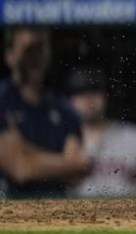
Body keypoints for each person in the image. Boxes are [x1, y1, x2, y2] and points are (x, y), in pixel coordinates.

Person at [0, 27, 89, 198]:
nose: (35, 58)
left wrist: (26, 151)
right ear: (10, 56)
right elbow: (21, 169)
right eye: (28, 50)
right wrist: (62, 163)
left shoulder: (63, 107)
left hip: (57, 210)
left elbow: (78, 165)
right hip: (10, 209)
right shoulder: (2, 101)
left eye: (41, 49)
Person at [66, 68, 136, 198]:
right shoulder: (60, 139)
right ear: (70, 100)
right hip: (76, 216)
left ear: (106, 96)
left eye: (95, 91)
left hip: (130, 215)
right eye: (81, 93)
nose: (88, 99)